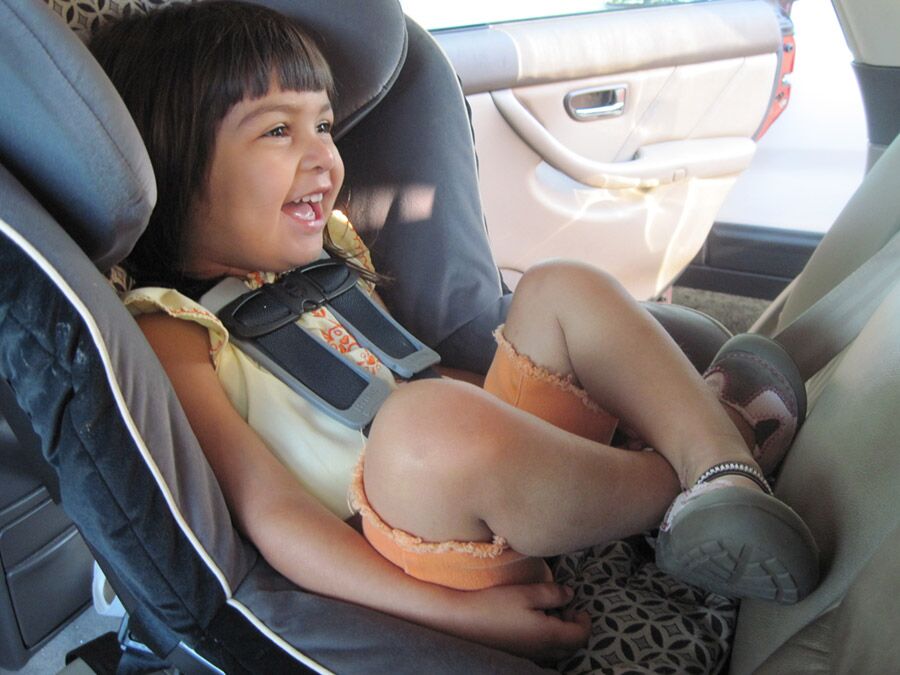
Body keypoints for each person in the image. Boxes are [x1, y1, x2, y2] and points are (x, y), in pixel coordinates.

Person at [90, 0, 818, 662]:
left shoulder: (325, 263)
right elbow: (269, 515)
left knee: (556, 285)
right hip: (408, 553)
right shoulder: (171, 328)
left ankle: (721, 469)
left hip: (481, 487)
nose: (324, 156)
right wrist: (451, 612)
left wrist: (520, 432)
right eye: (279, 130)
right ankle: (686, 472)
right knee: (422, 422)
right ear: (173, 166)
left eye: (324, 125)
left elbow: (427, 380)